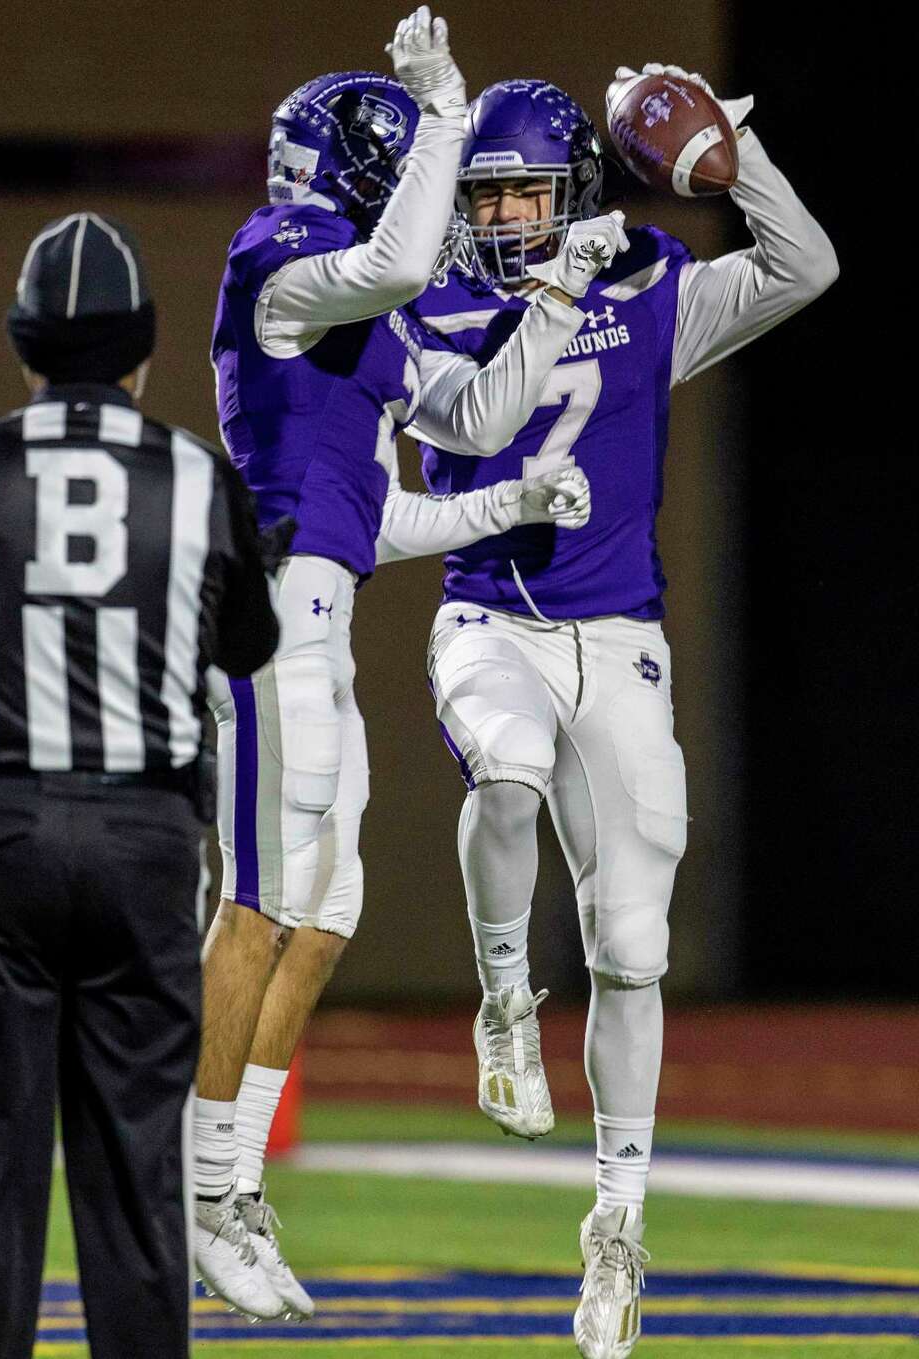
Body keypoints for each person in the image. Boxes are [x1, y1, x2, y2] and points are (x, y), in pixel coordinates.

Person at [196, 6, 628, 1322]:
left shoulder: (356, 315)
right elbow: (391, 258)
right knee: (262, 901)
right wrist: (444, 107)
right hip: (271, 616)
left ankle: (234, 1182)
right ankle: (198, 1185)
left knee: (331, 911)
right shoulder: (277, 264)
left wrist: (549, 319)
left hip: (321, 611)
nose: (440, 212)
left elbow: (463, 430)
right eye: (414, 170)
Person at [405, 69, 837, 1359]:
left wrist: (728, 153)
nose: (508, 214)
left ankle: (617, 1227)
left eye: (529, 189)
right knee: (503, 780)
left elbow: (805, 264)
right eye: (487, 196)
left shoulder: (648, 289)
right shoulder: (432, 300)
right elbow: (474, 418)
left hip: (620, 637)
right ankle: (500, 1001)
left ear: (578, 187)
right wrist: (549, 295)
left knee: (636, 949)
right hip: (491, 620)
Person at [0, 212, 279, 1359]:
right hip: (144, 837)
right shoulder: (196, 475)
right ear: (141, 352)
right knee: (137, 1173)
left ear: (24, 348)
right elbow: (249, 643)